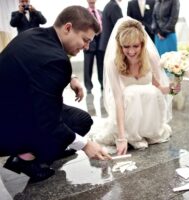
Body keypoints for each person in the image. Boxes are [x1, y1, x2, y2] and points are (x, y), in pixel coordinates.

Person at [0, 5, 111, 183]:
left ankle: (40, 150)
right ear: (68, 28)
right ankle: (28, 159)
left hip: (12, 109)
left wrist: (72, 77)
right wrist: (86, 145)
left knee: (82, 120)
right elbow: (48, 121)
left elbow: (39, 64)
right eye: (85, 39)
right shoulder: (57, 59)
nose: (87, 47)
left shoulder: (34, 34)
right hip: (10, 127)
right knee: (73, 129)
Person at [89, 18, 180, 155]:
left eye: (135, 46)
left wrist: (172, 89)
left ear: (142, 44)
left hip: (147, 109)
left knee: (153, 91)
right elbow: (118, 99)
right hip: (125, 105)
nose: (131, 51)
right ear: (120, 46)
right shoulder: (112, 63)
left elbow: (159, 88)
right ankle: (131, 134)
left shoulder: (151, 57)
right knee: (130, 92)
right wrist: (121, 137)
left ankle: (147, 130)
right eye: (126, 46)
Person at [84, 0, 104, 94]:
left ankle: (102, 84)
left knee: (101, 65)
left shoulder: (100, 12)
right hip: (88, 42)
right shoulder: (83, 12)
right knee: (88, 66)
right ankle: (88, 87)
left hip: (100, 42)